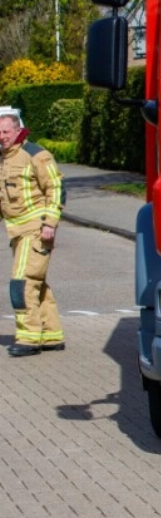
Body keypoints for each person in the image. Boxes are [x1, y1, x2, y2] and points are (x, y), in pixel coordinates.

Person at [0, 108, 65, 356]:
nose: (2, 136)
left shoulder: (36, 155)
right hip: (16, 230)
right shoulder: (4, 157)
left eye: (6, 131)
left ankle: (28, 338)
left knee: (22, 282)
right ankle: (51, 335)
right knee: (37, 282)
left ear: (18, 130)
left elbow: (56, 188)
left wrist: (50, 224)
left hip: (35, 229)